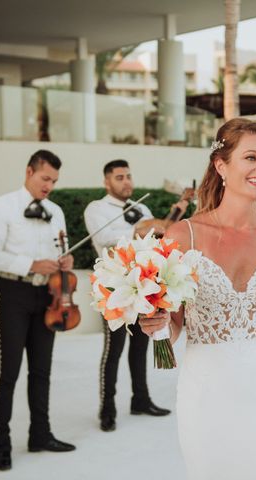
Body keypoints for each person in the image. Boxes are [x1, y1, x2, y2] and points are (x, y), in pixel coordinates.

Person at [139, 118, 256, 479]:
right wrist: (158, 325)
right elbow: (175, 323)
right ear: (221, 165)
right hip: (207, 395)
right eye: (252, 157)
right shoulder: (183, 236)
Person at [0, 150, 76, 471]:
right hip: (11, 293)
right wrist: (31, 264)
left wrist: (65, 261)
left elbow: (60, 249)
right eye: (45, 178)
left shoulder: (56, 212)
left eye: (54, 181)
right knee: (8, 373)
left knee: (42, 371)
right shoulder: (1, 206)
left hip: (47, 296)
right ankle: (0, 444)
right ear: (29, 172)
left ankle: (40, 434)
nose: (49, 186)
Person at [84, 159, 185, 432]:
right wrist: (137, 230)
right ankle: (107, 408)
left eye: (128, 176)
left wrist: (174, 215)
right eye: (119, 177)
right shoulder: (97, 208)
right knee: (113, 349)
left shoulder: (142, 208)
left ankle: (141, 398)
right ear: (107, 182)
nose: (126, 181)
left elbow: (156, 238)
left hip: (142, 283)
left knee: (141, 345)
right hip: (114, 285)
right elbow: (104, 237)